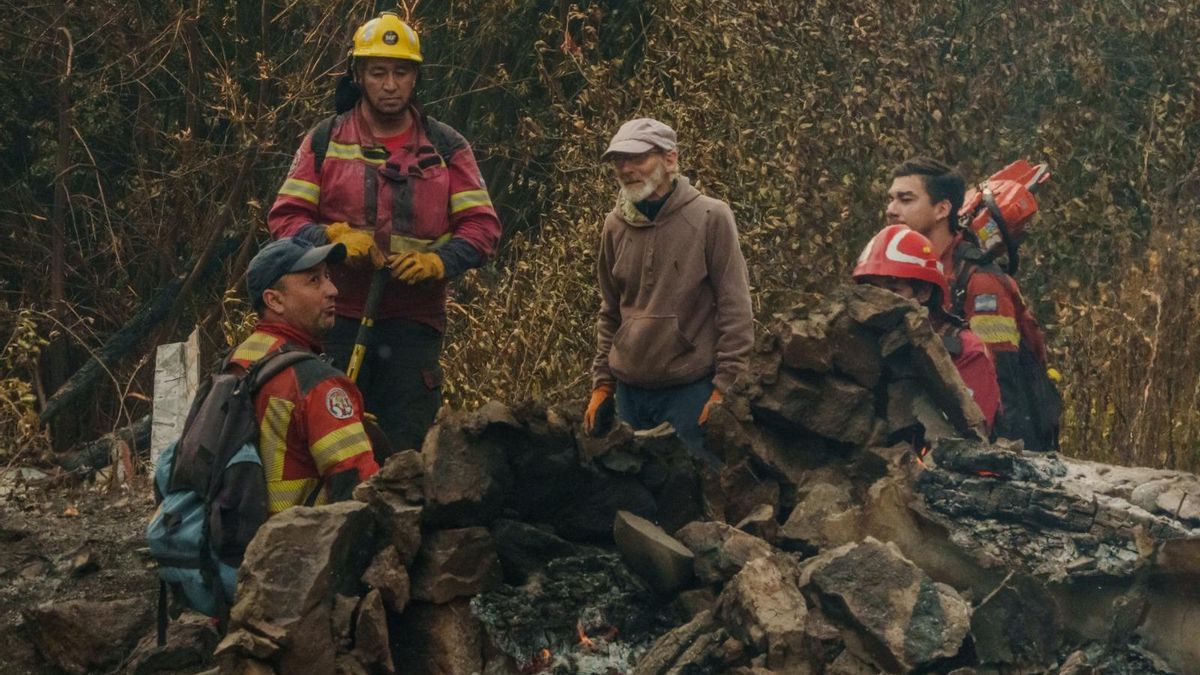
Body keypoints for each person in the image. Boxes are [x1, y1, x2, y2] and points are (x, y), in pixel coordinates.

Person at [267, 11, 502, 452]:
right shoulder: (324, 140)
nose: (390, 84)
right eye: (378, 72)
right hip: (334, 319)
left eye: (401, 72)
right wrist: (331, 239)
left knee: (404, 451)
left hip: (413, 325)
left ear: (415, 78)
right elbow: (286, 218)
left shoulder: (447, 146)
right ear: (358, 75)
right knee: (331, 443)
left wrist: (440, 262)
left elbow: (483, 226)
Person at [582, 118, 754, 466]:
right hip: (629, 394)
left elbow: (735, 309)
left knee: (697, 505)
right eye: (618, 161)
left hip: (690, 392)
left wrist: (725, 388)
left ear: (670, 160)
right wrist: (602, 384)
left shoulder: (711, 217)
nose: (626, 169)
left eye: (638, 159)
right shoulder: (613, 226)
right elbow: (610, 310)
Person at [886, 157, 1058, 450]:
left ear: (942, 209)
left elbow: (1002, 380)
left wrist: (997, 457)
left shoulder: (981, 284)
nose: (891, 210)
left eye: (905, 199)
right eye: (890, 199)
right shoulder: (912, 270)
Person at [236, 237, 378, 515]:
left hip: (241, 545)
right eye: (314, 281)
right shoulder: (318, 383)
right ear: (274, 300)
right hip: (300, 546)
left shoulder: (237, 359)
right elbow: (361, 486)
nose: (333, 290)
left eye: (328, 276)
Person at [853, 225, 1001, 433]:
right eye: (871, 290)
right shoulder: (856, 343)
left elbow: (973, 436)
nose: (880, 301)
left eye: (893, 290)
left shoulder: (966, 351)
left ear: (924, 292)